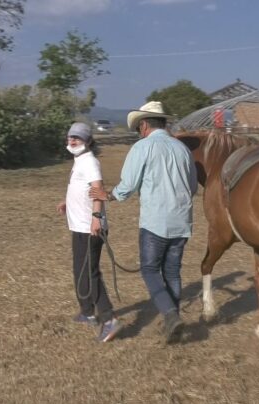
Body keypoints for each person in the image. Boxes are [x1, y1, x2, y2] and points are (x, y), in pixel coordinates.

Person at [89, 101, 198, 344]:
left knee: (150, 270)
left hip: (155, 221)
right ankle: (174, 318)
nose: (139, 131)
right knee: (172, 271)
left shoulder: (143, 147)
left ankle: (170, 316)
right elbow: (192, 187)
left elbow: (127, 186)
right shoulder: (182, 149)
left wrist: (108, 195)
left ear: (145, 125)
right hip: (181, 220)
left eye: (139, 127)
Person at [56, 122, 122, 343]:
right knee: (80, 269)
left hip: (89, 227)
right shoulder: (80, 161)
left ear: (88, 141)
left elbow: (98, 189)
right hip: (79, 225)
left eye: (78, 138)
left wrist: (96, 218)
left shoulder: (90, 162)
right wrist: (67, 202)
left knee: (90, 272)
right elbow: (82, 189)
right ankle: (88, 312)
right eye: (70, 137)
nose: (72, 141)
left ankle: (109, 318)